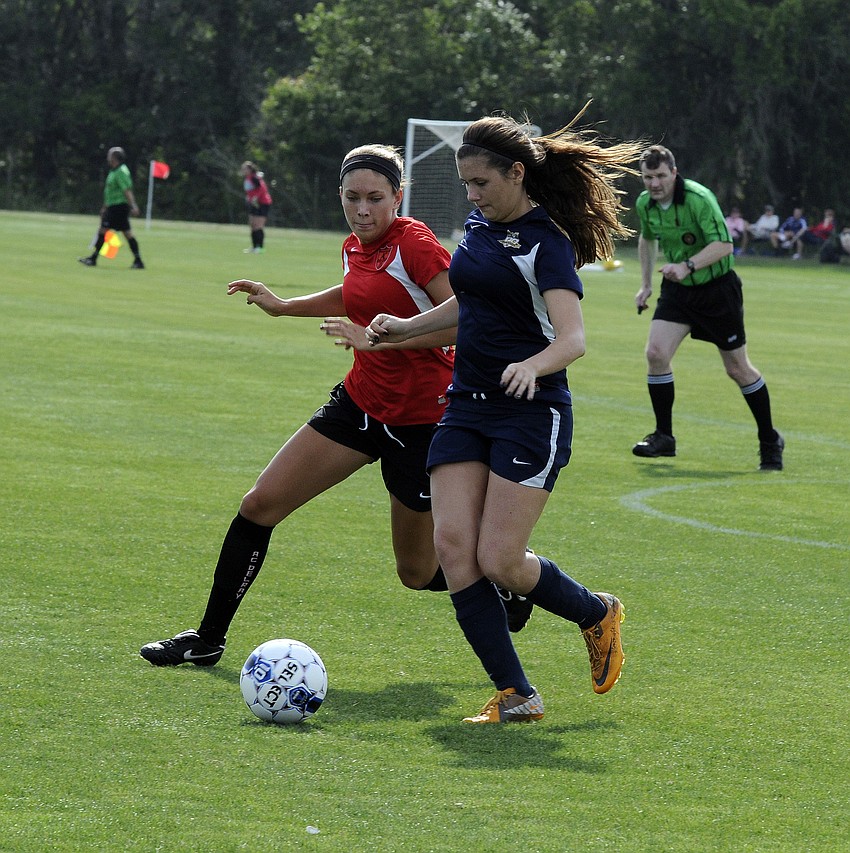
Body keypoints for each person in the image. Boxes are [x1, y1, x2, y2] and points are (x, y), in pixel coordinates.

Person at [140, 144, 531, 668]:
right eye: (352, 198)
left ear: (398, 196)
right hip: (361, 404)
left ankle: (510, 583)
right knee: (260, 504)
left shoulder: (415, 244)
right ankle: (208, 638)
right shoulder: (355, 245)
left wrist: (380, 343)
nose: (362, 210)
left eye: (374, 198)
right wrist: (283, 307)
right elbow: (356, 293)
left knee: (416, 573)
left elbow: (465, 320)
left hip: (423, 422)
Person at [366, 109, 637, 723]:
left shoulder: (549, 244)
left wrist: (534, 366)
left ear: (517, 175)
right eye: (466, 184)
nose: (472, 194)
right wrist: (406, 328)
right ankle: (517, 692)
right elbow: (471, 302)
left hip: (529, 414)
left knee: (501, 561)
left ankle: (596, 613)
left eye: (482, 183)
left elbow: (572, 338)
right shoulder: (476, 225)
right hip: (464, 407)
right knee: (453, 547)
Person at [633, 145, 784, 471]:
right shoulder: (645, 204)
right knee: (656, 354)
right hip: (678, 291)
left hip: (717, 292)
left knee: (738, 370)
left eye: (660, 176)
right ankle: (664, 437)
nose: (654, 183)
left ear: (674, 173)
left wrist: (687, 265)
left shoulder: (699, 199)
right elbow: (647, 240)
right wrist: (646, 284)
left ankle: (770, 440)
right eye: (648, 177)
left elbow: (724, 245)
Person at [78, 147, 145, 269]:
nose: (108, 158)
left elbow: (127, 191)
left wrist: (133, 205)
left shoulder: (121, 172)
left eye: (109, 156)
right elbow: (110, 192)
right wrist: (105, 206)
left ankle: (93, 259)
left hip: (118, 207)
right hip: (113, 207)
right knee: (125, 233)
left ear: (114, 158)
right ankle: (138, 260)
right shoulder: (114, 171)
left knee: (105, 231)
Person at [241, 161, 273, 253]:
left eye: (245, 169)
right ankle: (254, 247)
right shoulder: (248, 178)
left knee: (258, 225)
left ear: (250, 169)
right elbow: (251, 191)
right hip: (253, 203)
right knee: (252, 224)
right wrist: (249, 197)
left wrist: (256, 197)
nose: (243, 170)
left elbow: (262, 188)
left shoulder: (255, 178)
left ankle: (260, 248)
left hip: (262, 203)